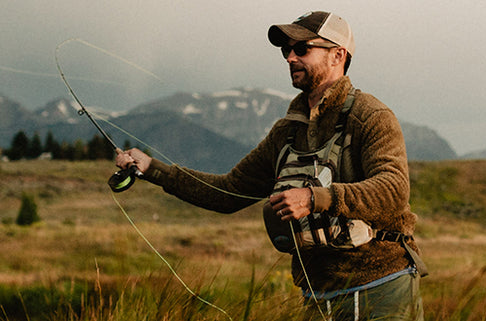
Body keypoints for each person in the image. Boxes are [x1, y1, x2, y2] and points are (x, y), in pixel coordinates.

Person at [115, 11, 425, 320]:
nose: (290, 57)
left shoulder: (370, 116)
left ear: (338, 55)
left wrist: (315, 198)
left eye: (302, 48)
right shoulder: (286, 132)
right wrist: (153, 169)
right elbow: (228, 192)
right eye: (286, 50)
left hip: (384, 289)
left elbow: (393, 189)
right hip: (317, 297)